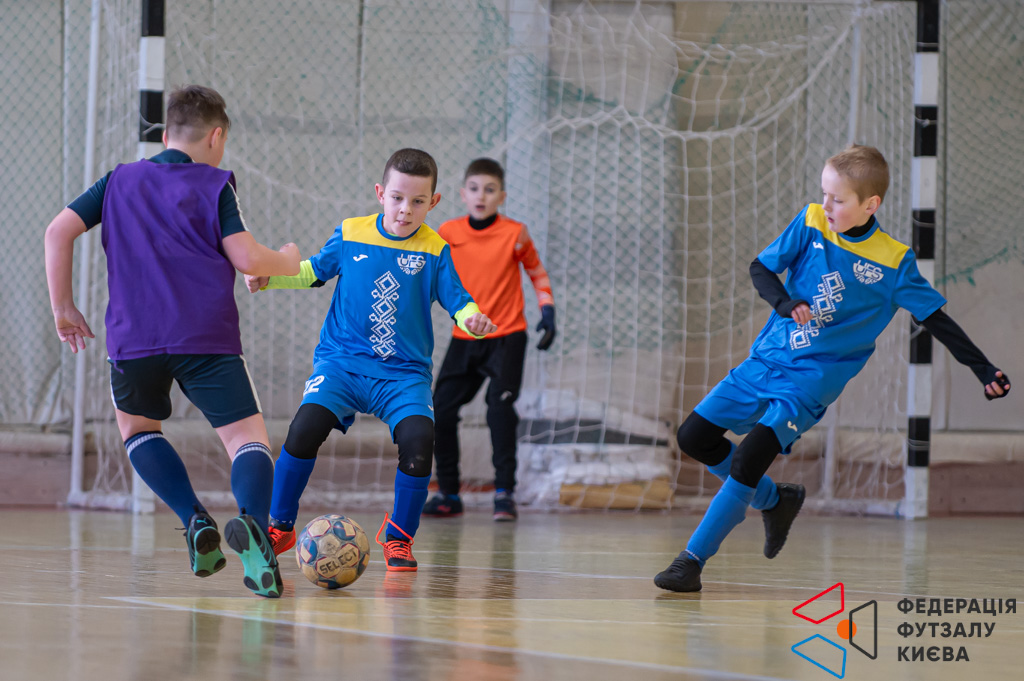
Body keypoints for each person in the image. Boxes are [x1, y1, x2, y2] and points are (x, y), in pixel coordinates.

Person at [655, 144, 1011, 592]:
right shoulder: (811, 221)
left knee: (748, 458)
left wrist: (983, 370)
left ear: (870, 205)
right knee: (693, 437)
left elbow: (936, 318)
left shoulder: (893, 261)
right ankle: (775, 500)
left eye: (837, 199)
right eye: (824, 194)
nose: (826, 205)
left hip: (810, 381)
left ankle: (691, 562)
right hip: (766, 359)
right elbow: (761, 267)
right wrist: (785, 303)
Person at [43, 85, 300, 598]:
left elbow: (57, 232)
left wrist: (63, 307)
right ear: (216, 136)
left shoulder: (116, 181)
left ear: (165, 136)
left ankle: (194, 519)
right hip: (206, 337)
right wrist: (289, 259)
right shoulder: (215, 183)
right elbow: (247, 257)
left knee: (138, 430)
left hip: (133, 341)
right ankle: (253, 528)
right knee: (247, 441)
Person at [245, 148, 497, 571]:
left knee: (420, 443)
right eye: (397, 198)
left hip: (403, 376)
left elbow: (459, 301)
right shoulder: (351, 233)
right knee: (304, 430)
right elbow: (313, 271)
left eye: (418, 201)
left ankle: (398, 538)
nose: (405, 209)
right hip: (342, 364)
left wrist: (472, 319)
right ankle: (280, 526)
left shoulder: (435, 250)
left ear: (433, 202)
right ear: (381, 193)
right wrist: (270, 278)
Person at [423, 158, 556, 521]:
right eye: (475, 188)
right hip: (465, 335)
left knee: (499, 411)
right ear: (463, 194)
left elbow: (537, 272)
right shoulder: (448, 233)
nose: (481, 196)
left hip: (507, 337)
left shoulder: (516, 234)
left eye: (490, 189)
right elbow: (432, 274)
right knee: (440, 410)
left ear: (502, 196)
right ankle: (449, 493)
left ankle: (504, 493)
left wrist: (547, 311)